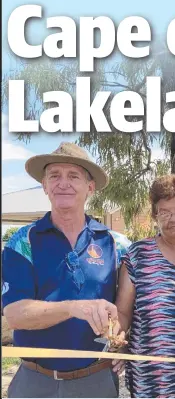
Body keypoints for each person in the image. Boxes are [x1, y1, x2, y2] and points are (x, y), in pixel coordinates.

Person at [1, 142, 131, 398]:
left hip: (96, 381)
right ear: (45, 186)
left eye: (73, 176)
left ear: (90, 187)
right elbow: (14, 315)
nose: (63, 183)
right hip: (35, 381)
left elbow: (124, 311)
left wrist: (120, 342)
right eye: (54, 176)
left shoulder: (117, 244)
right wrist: (74, 308)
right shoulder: (22, 242)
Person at [115, 174, 175, 397]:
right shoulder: (138, 255)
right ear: (155, 217)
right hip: (150, 379)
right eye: (164, 212)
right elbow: (123, 313)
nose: (173, 218)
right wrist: (116, 340)